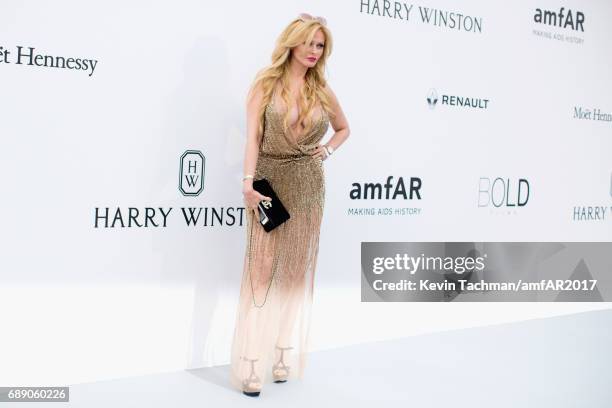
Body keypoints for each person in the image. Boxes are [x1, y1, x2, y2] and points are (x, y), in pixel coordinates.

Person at [229, 12, 350, 397]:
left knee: (295, 275)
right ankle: (250, 360)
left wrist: (326, 151)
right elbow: (252, 139)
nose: (314, 51)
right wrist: (247, 183)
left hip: (309, 186)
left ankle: (282, 352)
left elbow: (344, 128)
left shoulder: (322, 89)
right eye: (308, 43)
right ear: (291, 42)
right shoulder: (265, 84)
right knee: (261, 274)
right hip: (267, 184)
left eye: (320, 45)